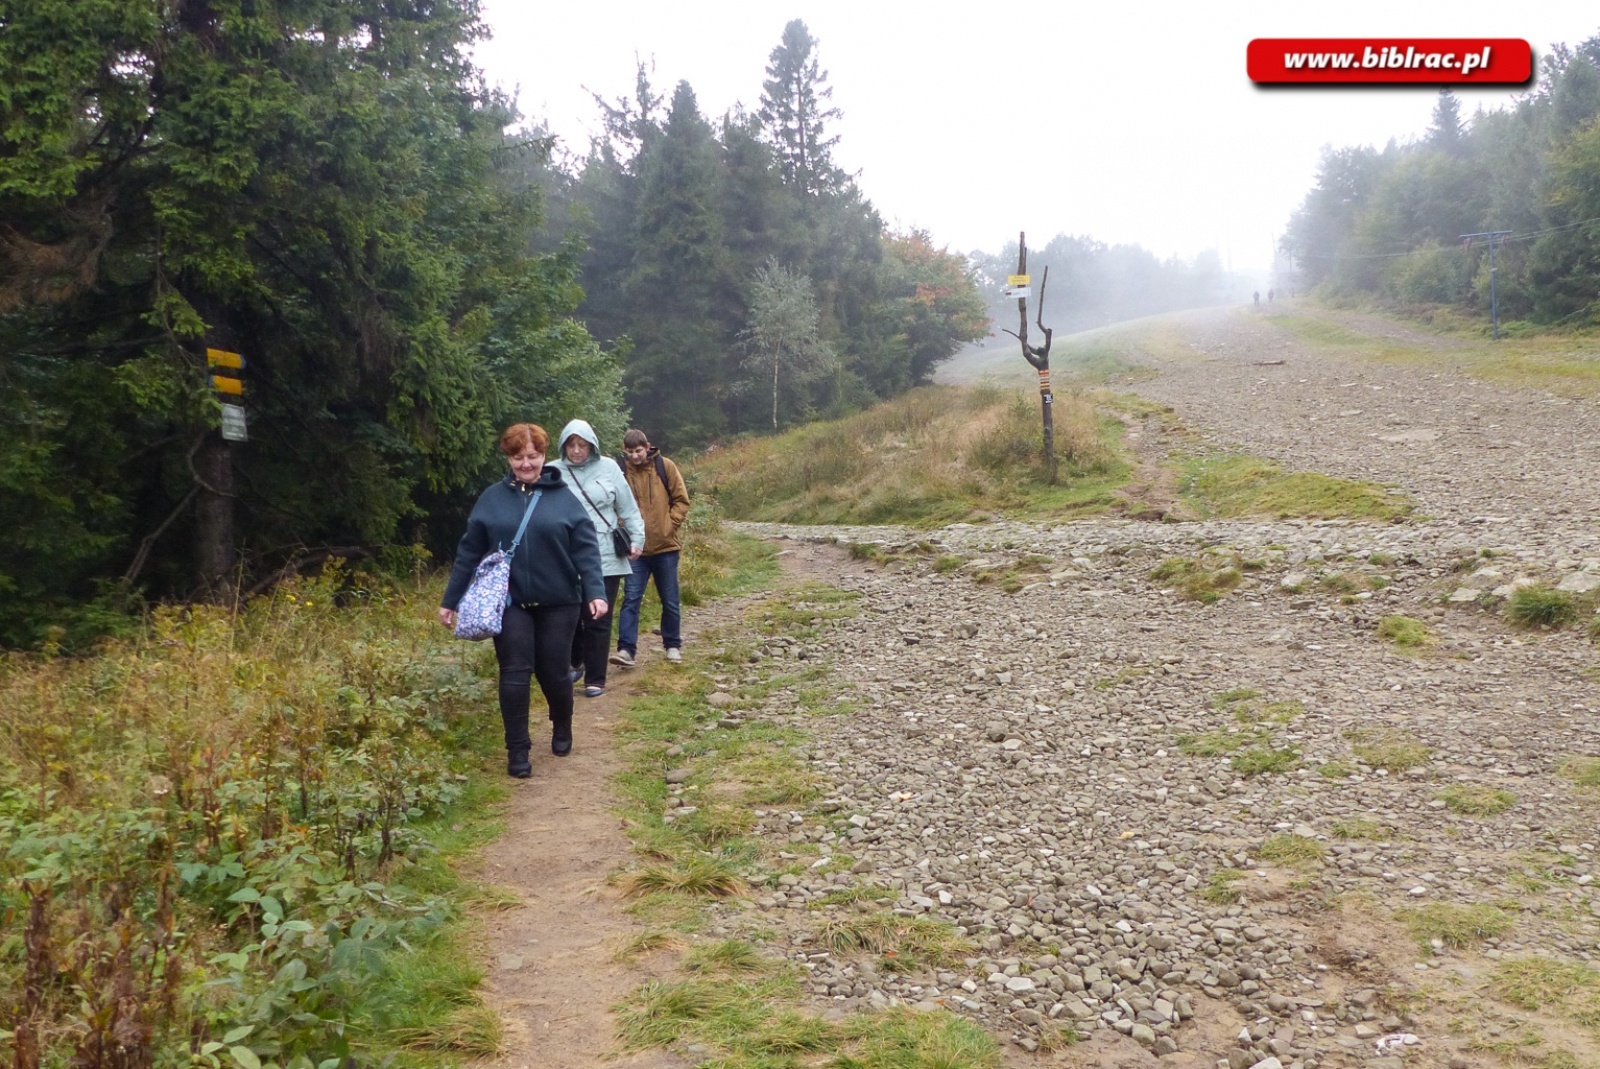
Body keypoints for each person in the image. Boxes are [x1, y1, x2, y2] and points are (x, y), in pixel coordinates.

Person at [439, 423, 608, 777]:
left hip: (560, 602)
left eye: (533, 456)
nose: (526, 464)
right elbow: (469, 552)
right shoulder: (491, 499)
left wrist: (595, 592)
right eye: (518, 457)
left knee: (553, 673)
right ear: (508, 458)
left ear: (544, 456)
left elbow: (587, 551)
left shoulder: (564, 499)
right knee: (514, 674)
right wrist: (451, 599)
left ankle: (562, 722)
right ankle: (517, 750)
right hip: (511, 603)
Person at [551, 419, 644, 698]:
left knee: (598, 617)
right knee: (571, 615)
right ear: (563, 446)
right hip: (565, 556)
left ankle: (596, 678)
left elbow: (627, 507)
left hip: (605, 554)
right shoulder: (553, 472)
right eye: (571, 445)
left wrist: (637, 539)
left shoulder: (609, 468)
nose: (577, 450)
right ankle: (574, 660)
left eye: (582, 445)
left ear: (592, 445)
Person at [611, 429, 690, 668]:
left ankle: (673, 645)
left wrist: (670, 525)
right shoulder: (619, 473)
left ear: (647, 447)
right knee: (631, 599)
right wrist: (622, 528)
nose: (635, 456)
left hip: (666, 547)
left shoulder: (665, 467)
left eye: (639, 450)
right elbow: (611, 504)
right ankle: (626, 650)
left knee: (670, 599)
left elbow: (681, 500)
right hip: (636, 551)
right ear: (625, 450)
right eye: (630, 451)